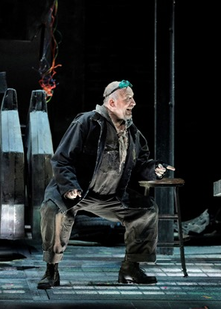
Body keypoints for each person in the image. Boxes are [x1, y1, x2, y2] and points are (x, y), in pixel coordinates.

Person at [37, 80, 175, 289]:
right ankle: (51, 271)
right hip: (78, 192)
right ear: (111, 103)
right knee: (52, 210)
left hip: (111, 196)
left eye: (133, 98)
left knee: (146, 211)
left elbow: (140, 164)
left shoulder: (132, 132)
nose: (133, 103)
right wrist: (69, 187)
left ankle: (131, 269)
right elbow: (61, 159)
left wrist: (154, 169)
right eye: (128, 99)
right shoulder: (86, 123)